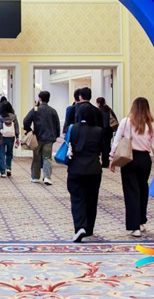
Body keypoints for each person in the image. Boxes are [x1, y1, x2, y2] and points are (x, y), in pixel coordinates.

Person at [109, 97, 154, 237]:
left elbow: (116, 141)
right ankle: (141, 221)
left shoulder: (125, 121)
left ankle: (135, 227)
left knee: (131, 191)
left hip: (129, 159)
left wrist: (111, 158)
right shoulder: (150, 124)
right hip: (145, 159)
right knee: (143, 189)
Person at [66, 94, 105, 243]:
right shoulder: (98, 131)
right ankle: (89, 228)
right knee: (91, 199)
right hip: (94, 169)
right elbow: (103, 150)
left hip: (76, 168)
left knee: (77, 199)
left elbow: (68, 146)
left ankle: (80, 226)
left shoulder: (73, 129)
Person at [23, 90, 61, 185]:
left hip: (37, 138)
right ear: (48, 99)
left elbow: (26, 121)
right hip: (49, 138)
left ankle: (35, 177)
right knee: (47, 157)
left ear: (39, 99)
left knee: (36, 157)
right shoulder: (53, 111)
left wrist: (29, 130)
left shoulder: (36, 109)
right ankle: (47, 177)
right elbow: (57, 125)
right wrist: (56, 135)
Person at [0, 99, 20, 177]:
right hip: (11, 137)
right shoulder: (14, 116)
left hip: (2, 137)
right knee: (9, 153)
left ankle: (3, 172)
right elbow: (16, 127)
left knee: (1, 154)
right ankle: (8, 168)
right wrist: (17, 136)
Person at [96, 96, 117, 168]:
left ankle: (103, 162)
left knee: (101, 147)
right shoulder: (109, 109)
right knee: (107, 146)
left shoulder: (98, 111)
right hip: (108, 131)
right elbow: (114, 118)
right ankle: (106, 162)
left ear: (99, 103)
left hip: (101, 131)